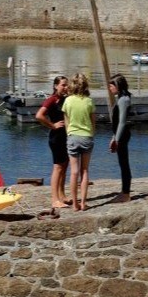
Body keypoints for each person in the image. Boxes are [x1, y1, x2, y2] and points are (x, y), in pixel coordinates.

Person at [62, 72, 95, 212]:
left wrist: (69, 134)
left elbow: (66, 121)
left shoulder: (68, 101)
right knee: (85, 170)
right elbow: (93, 122)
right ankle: (83, 203)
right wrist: (91, 133)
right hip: (86, 136)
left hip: (73, 136)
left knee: (74, 172)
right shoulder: (89, 101)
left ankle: (75, 204)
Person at [35, 75, 70, 211]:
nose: (65, 87)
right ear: (56, 86)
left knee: (65, 166)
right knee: (58, 167)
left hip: (65, 136)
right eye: (63, 85)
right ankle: (55, 199)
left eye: (67, 85)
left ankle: (62, 195)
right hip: (56, 137)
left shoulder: (65, 99)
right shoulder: (52, 99)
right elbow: (39, 115)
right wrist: (52, 125)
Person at [108, 74, 133, 203]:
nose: (110, 88)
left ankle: (125, 193)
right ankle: (124, 191)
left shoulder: (123, 100)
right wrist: (114, 137)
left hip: (122, 135)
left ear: (118, 86)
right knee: (122, 163)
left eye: (111, 86)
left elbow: (122, 122)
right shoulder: (121, 98)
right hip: (119, 134)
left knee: (124, 164)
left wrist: (117, 140)